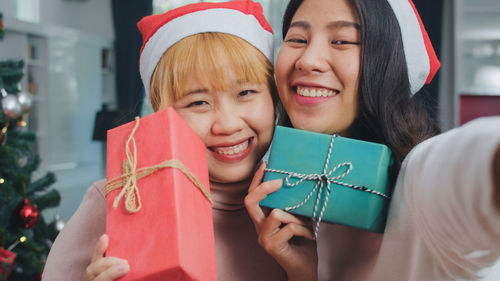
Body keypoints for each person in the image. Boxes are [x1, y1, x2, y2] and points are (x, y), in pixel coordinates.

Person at [244, 0, 500, 280]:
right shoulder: (281, 203)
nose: (308, 60)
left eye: (342, 40)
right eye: (297, 39)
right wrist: (303, 274)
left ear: (388, 66)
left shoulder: (417, 182)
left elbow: (476, 160)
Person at [41, 1, 295, 281]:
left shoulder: (297, 201)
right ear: (165, 115)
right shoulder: (118, 199)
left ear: (273, 98)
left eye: (245, 93)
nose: (228, 124)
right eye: (198, 102)